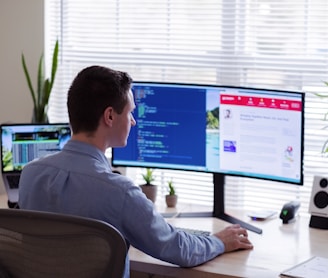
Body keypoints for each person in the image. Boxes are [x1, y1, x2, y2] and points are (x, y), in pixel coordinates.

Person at [18, 65, 253, 278]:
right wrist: (219, 242)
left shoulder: (30, 175)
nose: (133, 122)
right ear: (110, 116)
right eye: (130, 112)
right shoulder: (119, 192)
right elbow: (176, 247)